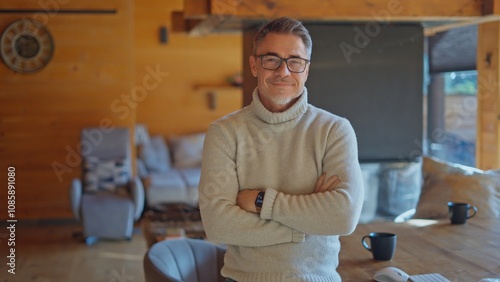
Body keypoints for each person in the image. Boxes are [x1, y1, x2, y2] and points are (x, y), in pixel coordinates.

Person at [198, 16, 364, 282]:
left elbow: (343, 217)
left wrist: (261, 201)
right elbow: (218, 225)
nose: (283, 72)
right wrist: (305, 225)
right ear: (254, 65)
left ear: (306, 70)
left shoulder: (335, 130)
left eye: (295, 61)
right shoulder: (224, 133)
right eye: (271, 59)